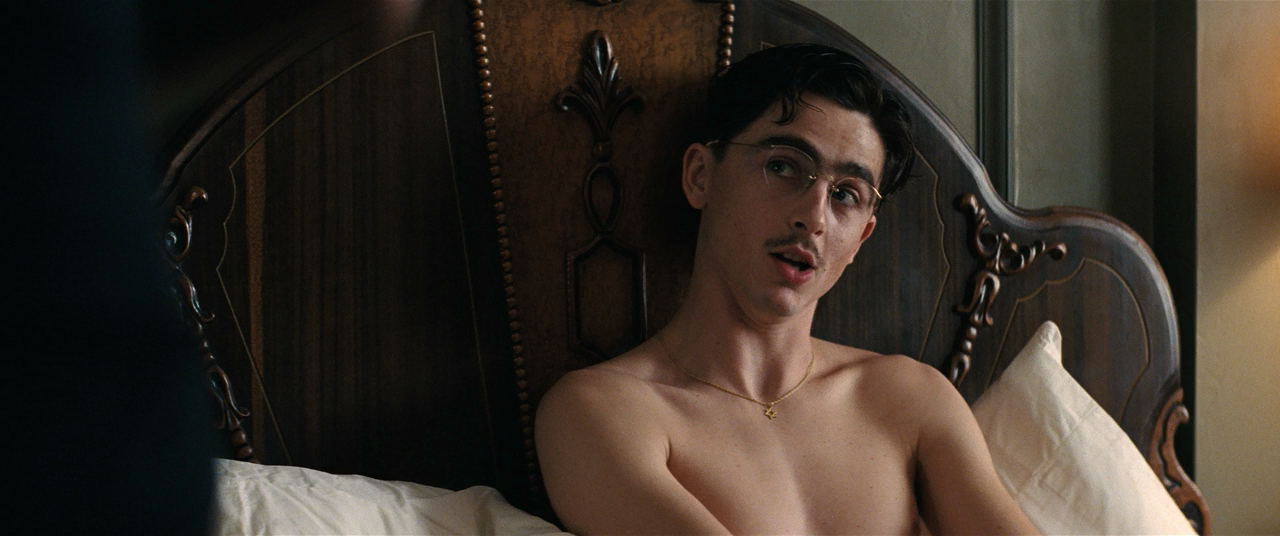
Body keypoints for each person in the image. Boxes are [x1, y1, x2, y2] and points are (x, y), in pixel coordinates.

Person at [535, 44, 1039, 535]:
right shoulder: (601, 412)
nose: (813, 217)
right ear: (701, 176)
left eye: (846, 194)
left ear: (862, 237)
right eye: (782, 166)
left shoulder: (910, 399)